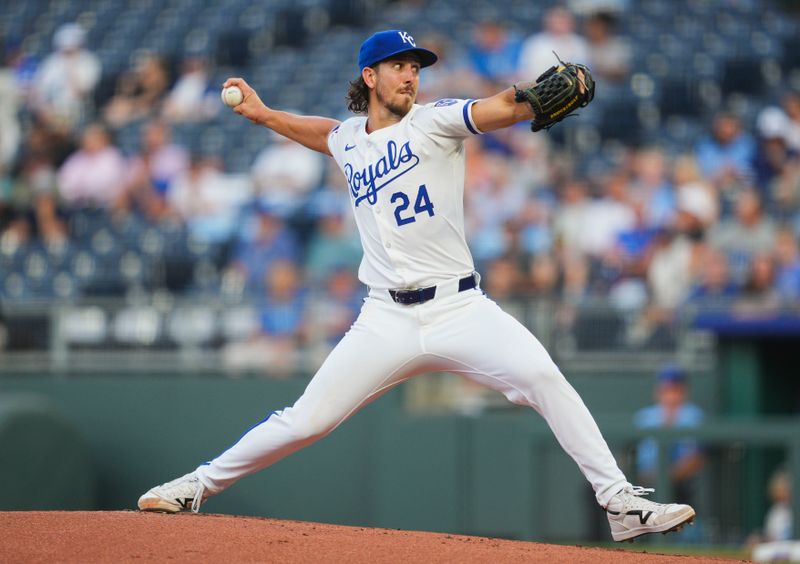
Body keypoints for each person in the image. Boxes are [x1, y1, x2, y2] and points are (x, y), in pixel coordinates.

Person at [138, 29, 695, 542]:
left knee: (544, 377)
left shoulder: (436, 120)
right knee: (307, 420)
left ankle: (619, 500)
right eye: (397, 65)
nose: (410, 75)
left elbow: (492, 108)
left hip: (460, 308)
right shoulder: (350, 139)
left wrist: (526, 100)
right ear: (369, 77)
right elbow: (323, 133)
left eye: (415, 67)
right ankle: (196, 486)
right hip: (385, 319)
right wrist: (263, 116)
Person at [633, 365, 705, 506]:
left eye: (675, 390)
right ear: (657, 392)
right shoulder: (645, 417)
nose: (670, 396)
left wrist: (667, 477)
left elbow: (697, 458)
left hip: (680, 483)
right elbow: (634, 456)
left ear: (684, 392)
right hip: (645, 481)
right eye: (666, 390)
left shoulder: (693, 416)